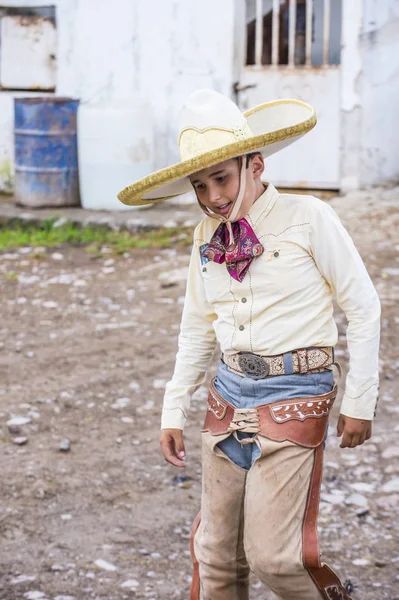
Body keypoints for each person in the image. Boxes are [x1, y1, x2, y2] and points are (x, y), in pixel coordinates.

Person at [118, 89, 380, 600]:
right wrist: (175, 406)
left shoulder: (309, 218)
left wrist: (360, 400)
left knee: (276, 558)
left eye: (222, 178)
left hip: (295, 391)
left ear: (255, 165)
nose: (213, 196)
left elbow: (363, 305)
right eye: (200, 185)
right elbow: (197, 323)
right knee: (215, 552)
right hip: (229, 391)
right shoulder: (204, 238)